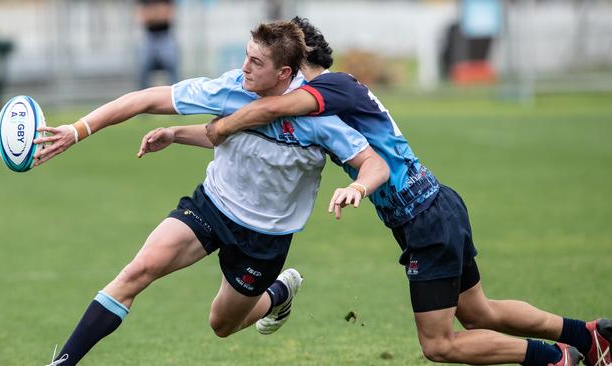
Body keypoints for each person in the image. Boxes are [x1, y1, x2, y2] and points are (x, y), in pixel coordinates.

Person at [204, 16, 612, 366]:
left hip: (426, 220)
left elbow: (271, 109)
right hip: (436, 205)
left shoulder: (331, 88)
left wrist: (222, 126)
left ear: (299, 58)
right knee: (478, 311)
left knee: (438, 344)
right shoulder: (336, 92)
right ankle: (589, 335)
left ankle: (554, 359)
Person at [33, 21, 389, 366]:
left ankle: (279, 293)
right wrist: (77, 130)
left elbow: (374, 163)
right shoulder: (232, 87)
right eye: (246, 56)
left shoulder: (317, 113)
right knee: (137, 271)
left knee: (222, 324)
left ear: (283, 73)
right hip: (212, 207)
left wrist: (356, 186)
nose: (244, 67)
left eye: (256, 62)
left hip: (264, 238)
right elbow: (145, 99)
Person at [136, 0, 179, 89]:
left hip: (165, 37)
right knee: (143, 70)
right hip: (149, 37)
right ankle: (143, 98)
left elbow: (168, 16)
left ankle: (174, 96)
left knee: (173, 69)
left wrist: (152, 13)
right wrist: (158, 12)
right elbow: (143, 18)